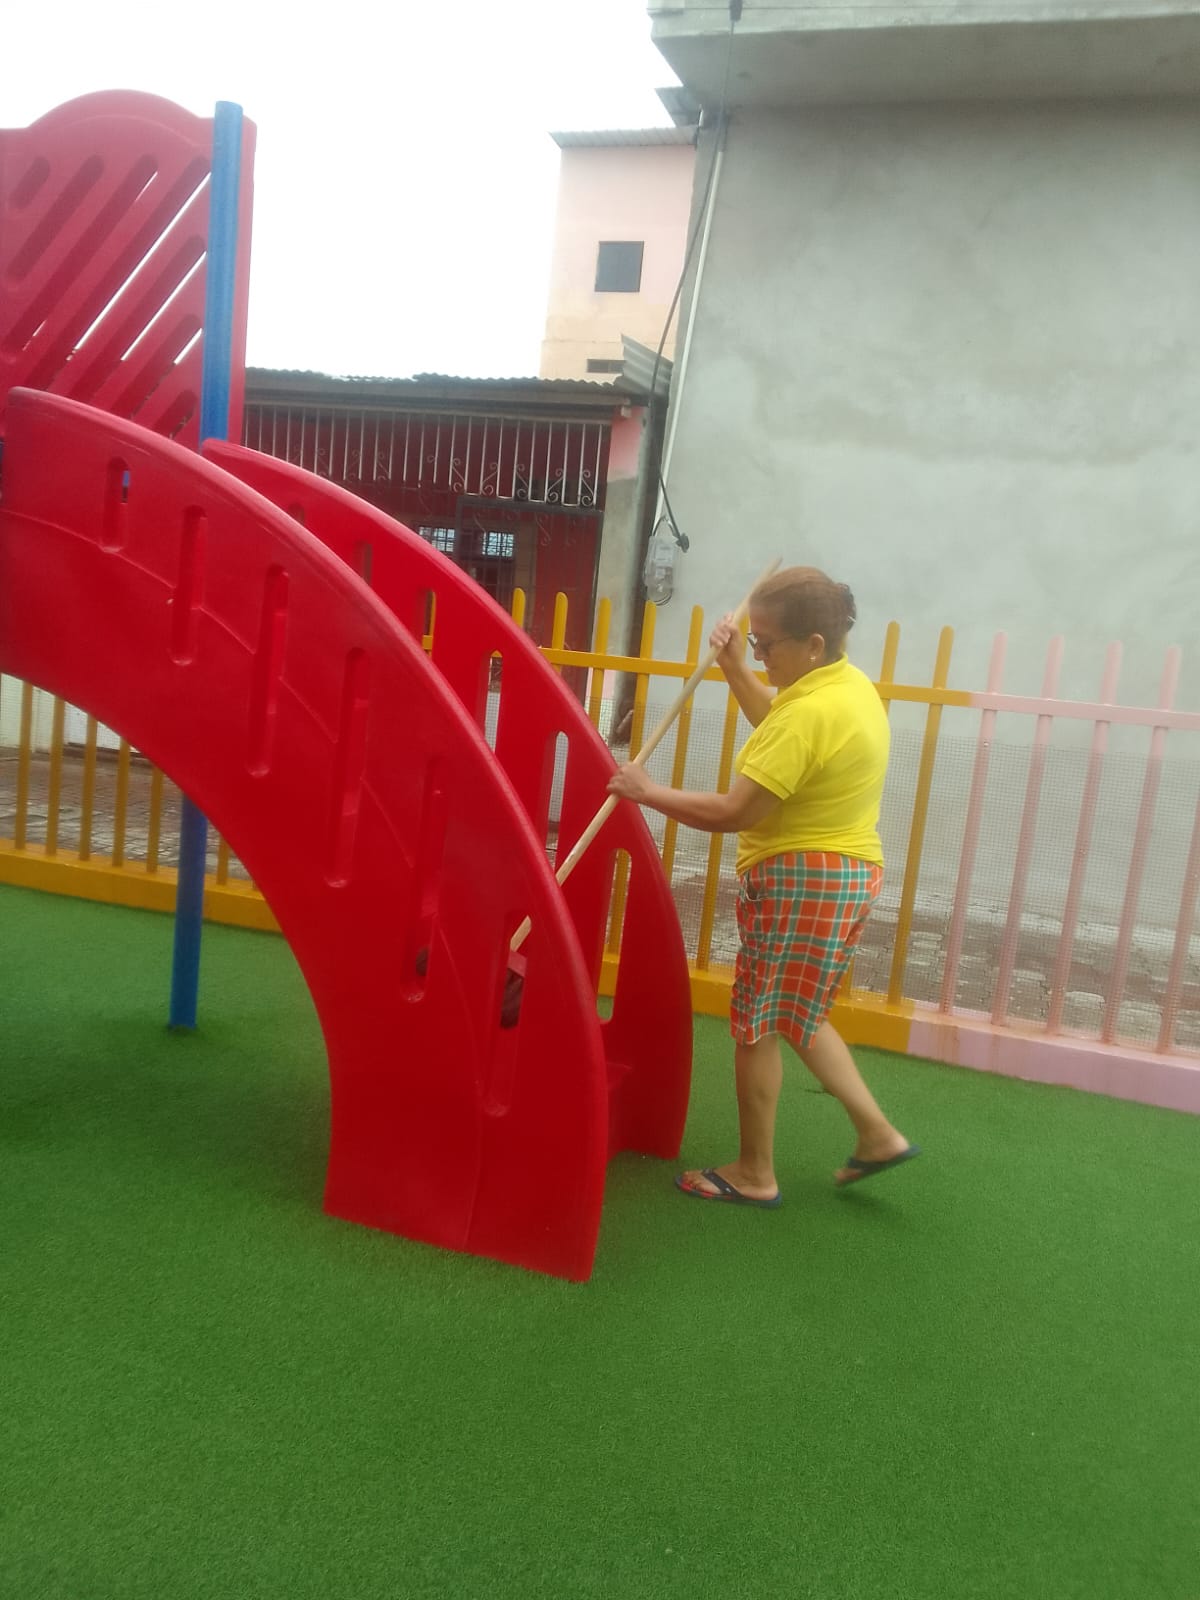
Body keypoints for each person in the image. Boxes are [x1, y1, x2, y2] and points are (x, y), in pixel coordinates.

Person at [606, 566, 918, 1206]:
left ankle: (754, 1174)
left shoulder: (810, 712)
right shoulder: (844, 686)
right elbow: (775, 723)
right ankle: (878, 1134)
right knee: (801, 1015)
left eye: (766, 644)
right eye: (753, 640)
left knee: (756, 1027)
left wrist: (647, 791)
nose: (758, 654)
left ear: (813, 644)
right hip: (847, 873)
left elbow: (735, 812)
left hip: (801, 878)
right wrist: (731, 665)